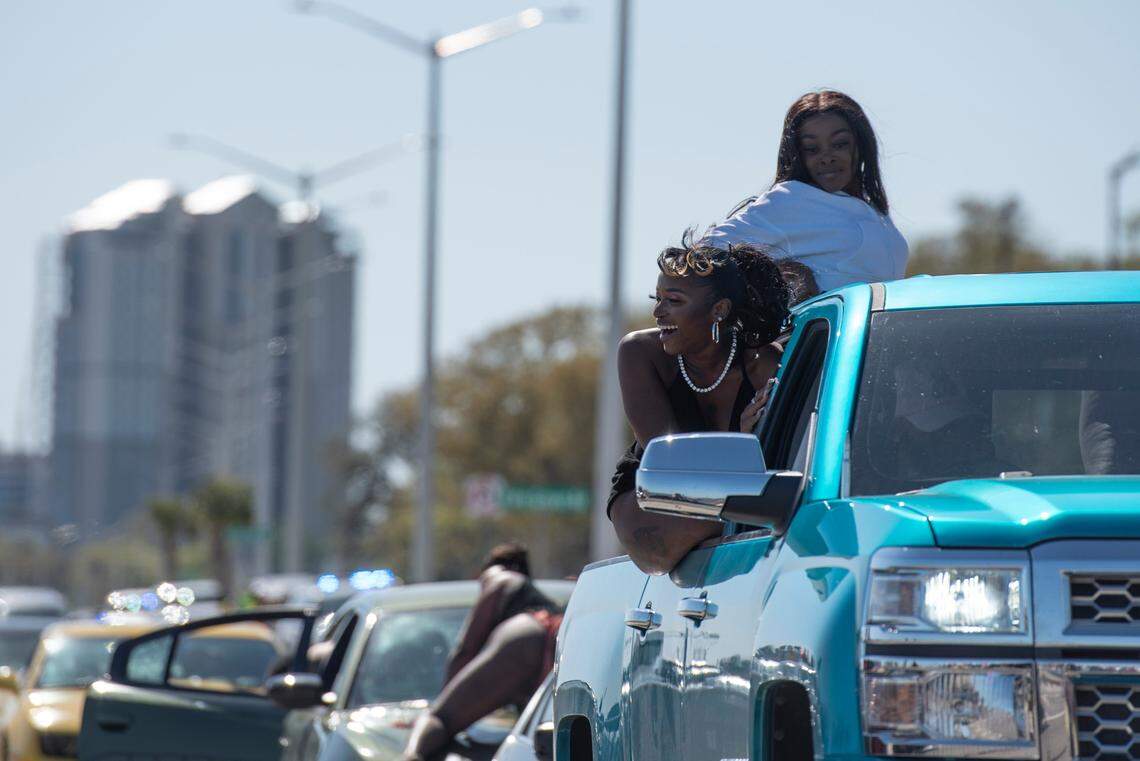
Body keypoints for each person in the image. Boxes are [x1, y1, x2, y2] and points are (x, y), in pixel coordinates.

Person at [609, 233, 791, 574]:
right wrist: (741, 440)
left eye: (673, 301)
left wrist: (757, 441)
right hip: (653, 499)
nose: (657, 312)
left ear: (718, 310)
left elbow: (779, 466)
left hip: (742, 511)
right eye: (657, 298)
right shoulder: (639, 352)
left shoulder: (764, 365)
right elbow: (671, 468)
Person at [704, 89, 909, 289]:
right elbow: (705, 251)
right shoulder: (791, 199)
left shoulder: (875, 212)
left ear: (861, 145)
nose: (827, 157)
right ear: (797, 155)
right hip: (829, 324)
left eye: (840, 144)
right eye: (812, 149)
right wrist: (773, 278)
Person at [402, 543, 561, 761]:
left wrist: (445, 706)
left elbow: (466, 648)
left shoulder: (497, 575)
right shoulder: (531, 589)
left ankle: (411, 756)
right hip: (559, 639)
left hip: (526, 635)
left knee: (439, 718)